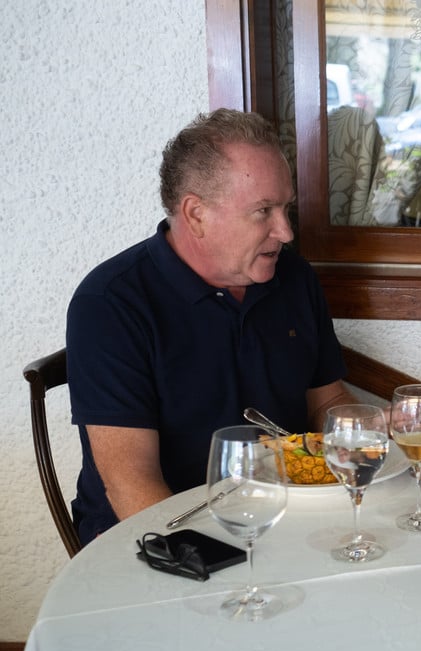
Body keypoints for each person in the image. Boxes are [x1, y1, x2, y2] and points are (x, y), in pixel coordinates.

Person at [66, 109, 359, 546]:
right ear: (196, 214)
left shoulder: (293, 278)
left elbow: (326, 399)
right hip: (153, 537)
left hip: (280, 515)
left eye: (286, 209)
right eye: (263, 211)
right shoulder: (111, 303)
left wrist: (362, 429)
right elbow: (132, 485)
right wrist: (218, 563)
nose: (285, 231)